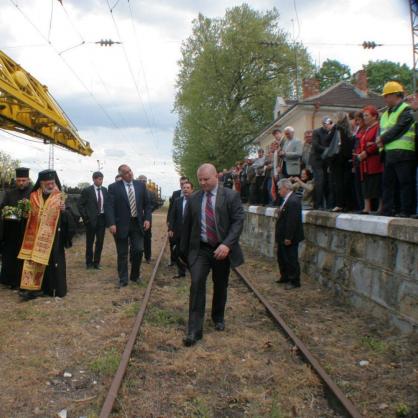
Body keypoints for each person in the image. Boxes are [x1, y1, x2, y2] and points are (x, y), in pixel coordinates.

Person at [180, 163, 244, 346]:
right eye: (200, 180)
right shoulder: (194, 199)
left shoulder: (231, 196)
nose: (203, 183)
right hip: (201, 249)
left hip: (222, 249)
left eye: (206, 179)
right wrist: (183, 254)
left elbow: (238, 222)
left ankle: (218, 316)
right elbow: (187, 227)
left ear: (216, 176)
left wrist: (227, 245)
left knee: (221, 283)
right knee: (197, 283)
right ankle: (194, 330)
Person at [18, 169, 76, 300]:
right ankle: (33, 290)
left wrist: (64, 211)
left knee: (52, 264)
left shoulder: (60, 197)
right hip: (34, 237)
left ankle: (53, 289)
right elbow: (26, 216)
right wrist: (25, 215)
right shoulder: (32, 196)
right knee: (34, 263)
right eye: (48, 183)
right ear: (41, 183)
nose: (51, 186)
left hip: (53, 238)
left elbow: (72, 218)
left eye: (52, 183)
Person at [106, 164, 151, 287]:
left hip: (137, 223)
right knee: (122, 253)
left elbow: (147, 204)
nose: (130, 173)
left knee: (138, 250)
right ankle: (123, 279)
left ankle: (135, 276)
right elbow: (109, 207)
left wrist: (147, 218)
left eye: (130, 170)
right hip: (120, 225)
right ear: (121, 175)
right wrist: (111, 223)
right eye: (126, 172)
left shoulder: (140, 186)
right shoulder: (113, 187)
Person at [377, 81, 416, 217]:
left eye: (387, 96)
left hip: (404, 152)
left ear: (395, 95)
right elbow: (383, 130)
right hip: (389, 153)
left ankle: (406, 211)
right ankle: (388, 210)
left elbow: (399, 128)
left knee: (405, 183)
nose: (385, 99)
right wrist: (380, 142)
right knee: (388, 184)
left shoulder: (406, 109)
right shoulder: (386, 113)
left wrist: (382, 139)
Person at [0, 167, 32, 289]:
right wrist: (15, 214)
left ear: (28, 180)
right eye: (19, 180)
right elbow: (3, 209)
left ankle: (25, 281)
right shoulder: (9, 193)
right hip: (12, 232)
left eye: (23, 180)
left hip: (28, 231)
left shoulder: (33, 193)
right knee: (11, 257)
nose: (21, 183)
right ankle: (11, 281)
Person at [275, 178, 304, 290]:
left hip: (289, 236)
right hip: (283, 235)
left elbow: (292, 221)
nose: (278, 191)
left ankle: (294, 280)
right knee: (282, 257)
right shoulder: (288, 199)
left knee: (291, 258)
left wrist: (288, 237)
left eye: (279, 189)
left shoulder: (293, 201)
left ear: (285, 188)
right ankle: (285, 276)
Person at [354, 106, 383, 214]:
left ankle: (380, 207)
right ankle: (367, 207)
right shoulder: (367, 129)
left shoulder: (377, 127)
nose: (364, 118)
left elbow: (376, 143)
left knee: (376, 184)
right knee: (366, 184)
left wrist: (367, 151)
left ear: (374, 116)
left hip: (374, 160)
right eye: (364, 115)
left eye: (367, 115)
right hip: (364, 161)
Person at [77, 171, 108, 270]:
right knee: (90, 242)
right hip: (91, 221)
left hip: (102, 220)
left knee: (100, 242)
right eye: (99, 179)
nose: (101, 181)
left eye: (102, 179)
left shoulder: (104, 190)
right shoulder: (87, 190)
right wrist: (86, 218)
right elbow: (80, 205)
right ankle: (89, 263)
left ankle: (96, 263)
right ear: (94, 179)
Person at [327, 112, 355, 212]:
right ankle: (349, 204)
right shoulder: (349, 130)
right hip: (347, 159)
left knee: (338, 183)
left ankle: (339, 204)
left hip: (337, 159)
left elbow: (330, 142)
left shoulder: (336, 129)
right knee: (347, 182)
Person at [168, 181, 194, 278]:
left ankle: (192, 270)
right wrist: (170, 229)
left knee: (189, 252)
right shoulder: (178, 201)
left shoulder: (196, 201)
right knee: (176, 252)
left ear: (192, 189)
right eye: (184, 188)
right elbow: (172, 216)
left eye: (188, 188)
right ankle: (181, 271)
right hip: (178, 231)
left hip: (191, 232)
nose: (185, 189)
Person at [311, 117, 333, 209]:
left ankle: (328, 204)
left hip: (326, 160)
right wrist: (327, 149)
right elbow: (316, 145)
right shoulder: (317, 132)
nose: (327, 125)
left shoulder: (332, 132)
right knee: (319, 181)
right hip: (317, 160)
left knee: (327, 182)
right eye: (325, 124)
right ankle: (317, 204)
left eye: (328, 124)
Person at [167, 176, 189, 266]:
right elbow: (171, 209)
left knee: (185, 243)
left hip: (187, 224)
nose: (183, 185)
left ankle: (185, 261)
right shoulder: (175, 194)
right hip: (176, 223)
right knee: (172, 241)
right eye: (181, 184)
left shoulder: (193, 195)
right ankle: (173, 260)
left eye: (185, 183)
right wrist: (169, 222)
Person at [138, 175, 159, 263]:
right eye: (141, 180)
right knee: (135, 237)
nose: (143, 182)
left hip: (147, 218)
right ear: (138, 181)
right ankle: (133, 257)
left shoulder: (151, 193)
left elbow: (155, 204)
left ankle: (148, 257)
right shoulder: (134, 192)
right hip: (136, 218)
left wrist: (148, 211)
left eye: (144, 181)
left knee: (147, 237)